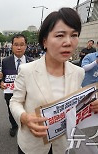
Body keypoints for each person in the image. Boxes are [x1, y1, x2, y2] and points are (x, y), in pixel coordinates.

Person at [9, 7, 98, 154]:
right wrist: (24, 118)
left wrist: (93, 104)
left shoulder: (78, 72)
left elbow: (78, 103)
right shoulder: (27, 70)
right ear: (45, 41)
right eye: (60, 35)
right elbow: (15, 102)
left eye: (74, 35)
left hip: (63, 146)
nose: (68, 42)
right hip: (32, 146)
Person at [0, 34, 33, 137]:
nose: (19, 47)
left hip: (27, 94)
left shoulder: (31, 62)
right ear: (12, 46)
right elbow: (2, 76)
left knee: (26, 110)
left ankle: (26, 126)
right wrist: (1, 82)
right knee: (12, 112)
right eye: (16, 45)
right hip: (10, 93)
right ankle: (14, 126)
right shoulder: (5, 61)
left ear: (26, 46)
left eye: (22, 44)